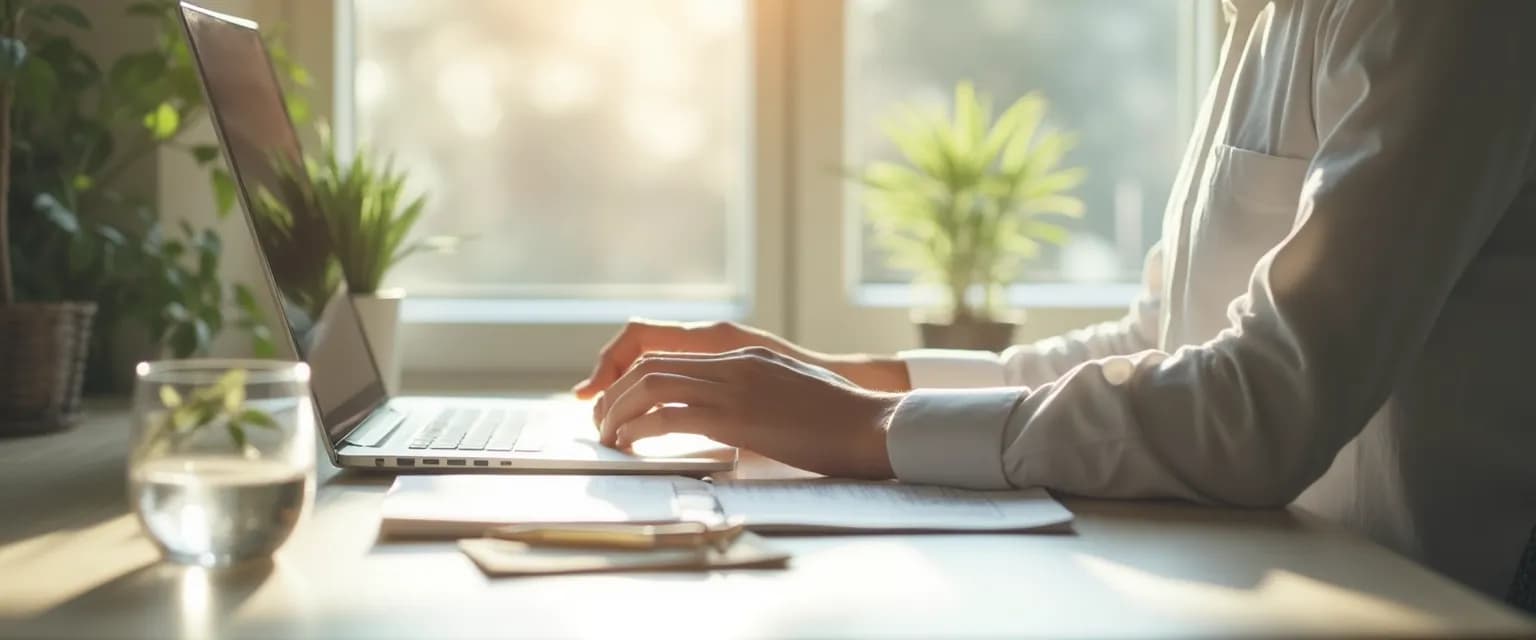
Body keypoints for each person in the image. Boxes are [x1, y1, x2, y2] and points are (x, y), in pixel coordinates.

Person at [575, 1, 1536, 599]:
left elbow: (1262, 408)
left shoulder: (1445, 16)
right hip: (1254, 573)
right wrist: (830, 377)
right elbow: (1160, 339)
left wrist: (871, 426)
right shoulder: (1260, 21)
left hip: (1404, 603)